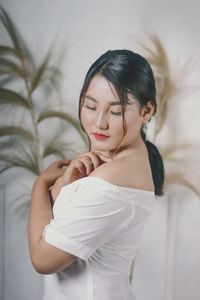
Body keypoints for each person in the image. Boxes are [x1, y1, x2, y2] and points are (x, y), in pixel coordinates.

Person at [28, 49, 164, 300]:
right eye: (90, 106)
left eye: (115, 111)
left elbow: (42, 259)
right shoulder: (115, 159)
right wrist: (64, 183)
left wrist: (41, 183)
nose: (99, 123)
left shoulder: (110, 182)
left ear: (147, 111)